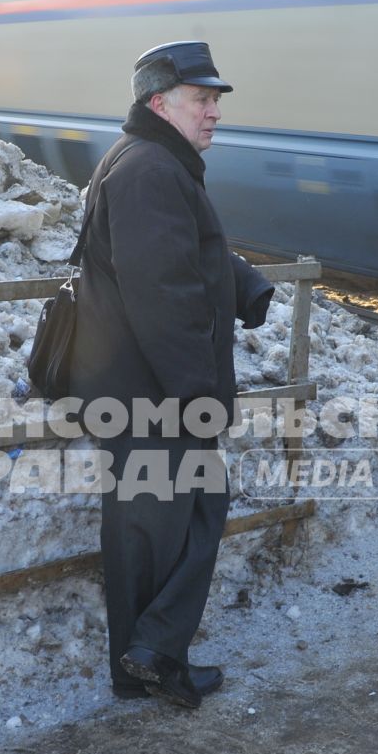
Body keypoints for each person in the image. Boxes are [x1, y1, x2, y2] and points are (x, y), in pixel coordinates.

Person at [70, 40, 274, 709]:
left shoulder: (154, 163)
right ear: (160, 103)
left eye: (216, 100)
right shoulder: (151, 170)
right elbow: (163, 294)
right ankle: (156, 651)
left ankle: (143, 663)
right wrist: (198, 395)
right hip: (157, 391)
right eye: (201, 100)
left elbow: (182, 252)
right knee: (191, 516)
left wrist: (243, 285)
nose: (214, 112)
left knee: (147, 532)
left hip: (135, 387)